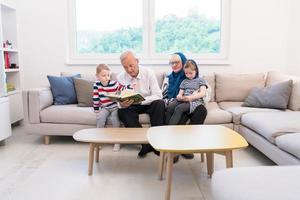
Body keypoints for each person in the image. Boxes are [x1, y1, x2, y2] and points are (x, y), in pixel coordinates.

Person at [117, 50, 165, 158]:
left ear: (137, 61)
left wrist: (141, 100)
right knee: (121, 112)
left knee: (160, 104)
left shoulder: (148, 72)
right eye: (125, 67)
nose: (129, 70)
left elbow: (158, 95)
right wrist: (122, 104)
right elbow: (119, 97)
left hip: (148, 102)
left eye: (131, 65)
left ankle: (157, 143)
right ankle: (145, 144)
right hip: (132, 105)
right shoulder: (120, 77)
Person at [165, 57, 208, 163]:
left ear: (196, 71)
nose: (188, 75)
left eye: (190, 73)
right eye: (186, 73)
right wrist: (179, 97)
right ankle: (171, 142)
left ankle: (171, 131)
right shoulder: (184, 81)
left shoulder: (200, 80)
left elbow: (203, 93)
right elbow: (180, 93)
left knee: (180, 108)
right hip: (185, 100)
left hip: (195, 101)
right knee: (172, 106)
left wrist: (191, 98)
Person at [93, 64, 131, 152]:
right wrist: (96, 109)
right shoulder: (96, 85)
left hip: (115, 107)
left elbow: (122, 88)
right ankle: (98, 141)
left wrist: (129, 86)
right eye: (103, 75)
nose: (106, 77)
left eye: (108, 75)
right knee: (100, 118)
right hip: (105, 107)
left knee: (115, 119)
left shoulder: (114, 83)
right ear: (97, 76)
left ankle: (117, 142)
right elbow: (95, 97)